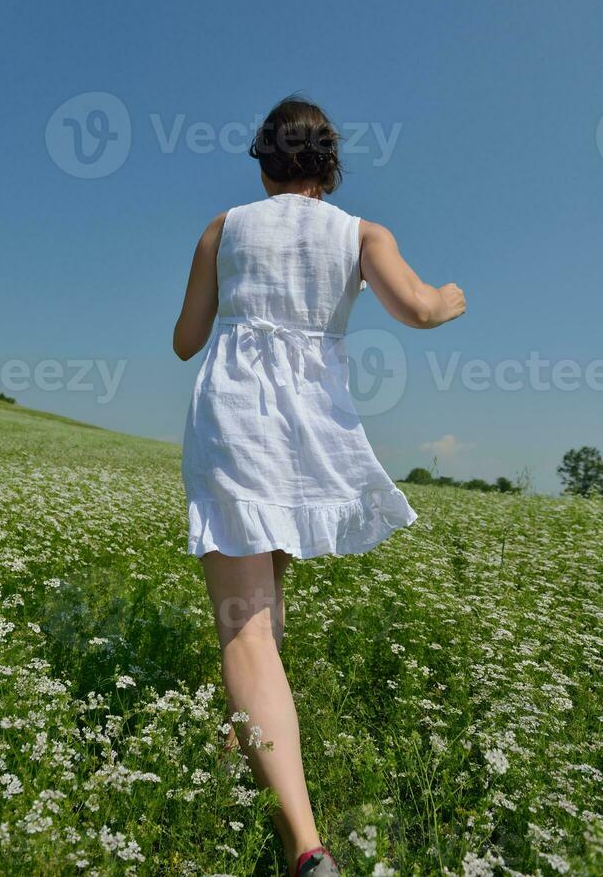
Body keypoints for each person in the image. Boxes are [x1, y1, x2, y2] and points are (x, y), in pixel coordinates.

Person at [173, 95, 466, 877]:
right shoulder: (362, 233)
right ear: (329, 164)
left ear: (264, 161)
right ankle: (245, 738)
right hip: (309, 433)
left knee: (247, 628)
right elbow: (418, 308)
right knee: (266, 606)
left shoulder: (222, 228)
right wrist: (451, 299)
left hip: (234, 424)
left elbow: (184, 341)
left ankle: (304, 843)